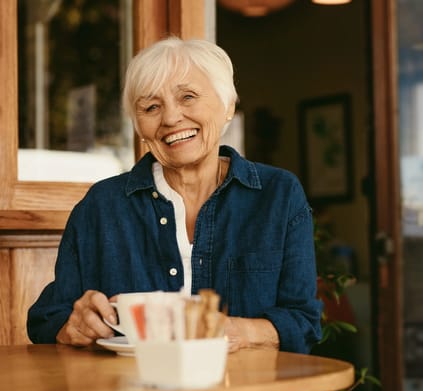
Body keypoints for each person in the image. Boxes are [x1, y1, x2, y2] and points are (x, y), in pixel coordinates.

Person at [27, 36, 322, 354]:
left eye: (188, 97)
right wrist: (74, 325)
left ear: (227, 107)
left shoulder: (277, 195)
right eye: (151, 107)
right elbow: (47, 318)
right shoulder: (101, 206)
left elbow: (303, 322)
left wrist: (237, 331)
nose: (170, 118)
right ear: (139, 126)